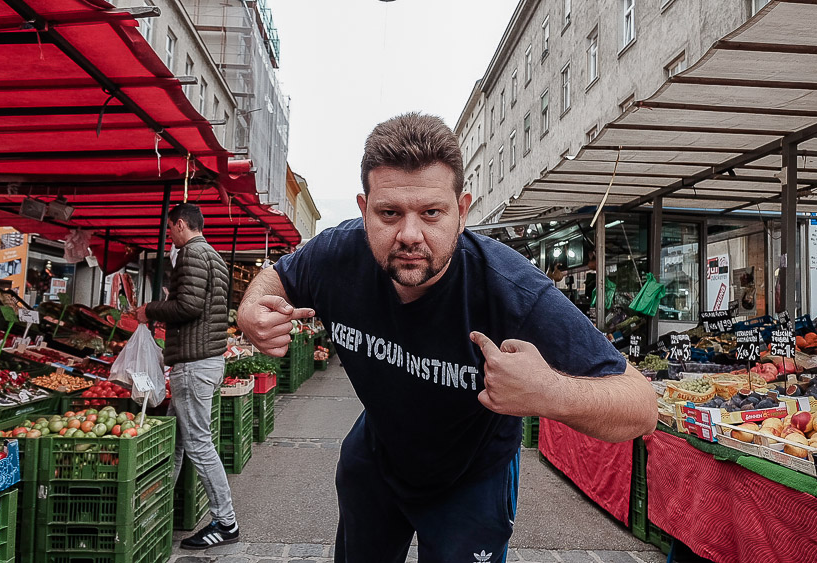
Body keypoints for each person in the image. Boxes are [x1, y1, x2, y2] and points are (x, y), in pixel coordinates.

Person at [237, 113, 657, 563]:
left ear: (462, 211)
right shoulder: (337, 253)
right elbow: (275, 275)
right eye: (389, 214)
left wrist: (550, 394)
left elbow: (641, 405)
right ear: (364, 210)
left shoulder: (510, 288)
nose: (410, 235)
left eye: (432, 213)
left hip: (471, 477)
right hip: (377, 456)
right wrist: (250, 308)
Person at [133, 203, 240, 549]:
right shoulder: (214, 256)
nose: (168, 236)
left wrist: (149, 310)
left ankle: (226, 522)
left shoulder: (191, 254)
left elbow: (188, 307)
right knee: (177, 443)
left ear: (180, 225)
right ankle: (154, 509)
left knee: (197, 444)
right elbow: (200, 304)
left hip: (194, 363)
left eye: (169, 229)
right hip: (203, 360)